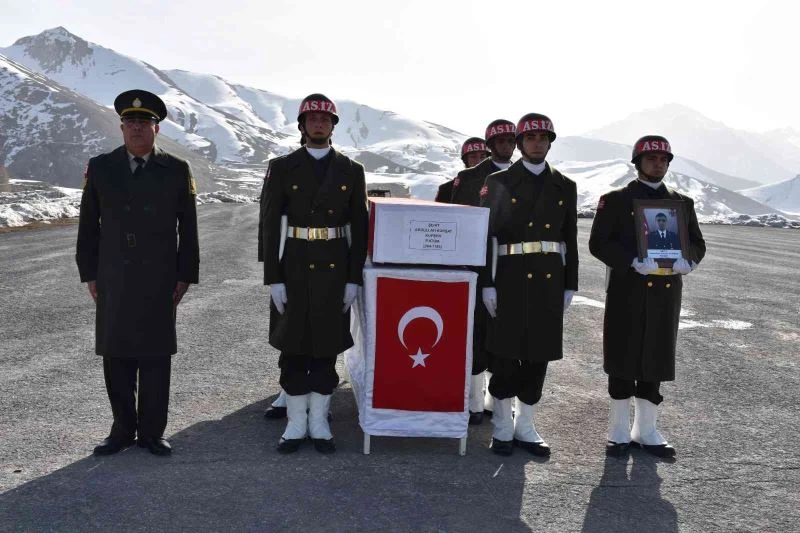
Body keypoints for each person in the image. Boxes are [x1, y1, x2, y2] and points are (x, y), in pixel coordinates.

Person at [76, 89, 199, 457]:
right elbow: (88, 227)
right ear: (121, 127)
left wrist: (185, 274)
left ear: (156, 129)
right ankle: (122, 430)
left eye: (144, 122)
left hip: (160, 275)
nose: (137, 128)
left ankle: (152, 432)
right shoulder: (101, 167)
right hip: (113, 273)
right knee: (116, 354)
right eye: (131, 122)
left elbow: (188, 228)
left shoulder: (176, 170)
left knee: (156, 354)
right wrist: (89, 273)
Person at [261, 93, 369, 454]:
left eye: (325, 119)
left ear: (333, 126)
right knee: (293, 346)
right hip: (292, 267)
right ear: (302, 126)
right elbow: (270, 225)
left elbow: (359, 229)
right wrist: (273, 277)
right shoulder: (282, 167)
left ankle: (320, 422)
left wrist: (354, 278)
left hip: (334, 270)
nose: (319, 124)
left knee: (325, 348)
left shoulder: (351, 171)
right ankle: (295, 423)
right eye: (312, 119)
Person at [589, 135, 706, 458]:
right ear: (638, 162)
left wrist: (690, 260)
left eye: (664, 159)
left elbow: (697, 241)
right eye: (652, 158)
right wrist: (631, 260)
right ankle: (618, 431)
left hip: (665, 293)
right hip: (629, 289)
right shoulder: (615, 200)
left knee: (655, 356)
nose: (659, 163)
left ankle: (647, 430)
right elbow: (598, 243)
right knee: (623, 357)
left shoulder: (682, 203)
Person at [479, 113, 578, 456]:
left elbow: (570, 239)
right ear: (520, 143)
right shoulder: (498, 180)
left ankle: (527, 425)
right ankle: (503, 427)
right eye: (531, 137)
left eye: (544, 137)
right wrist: (487, 284)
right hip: (509, 277)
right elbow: (487, 237)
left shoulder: (565, 185)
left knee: (539, 356)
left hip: (549, 280)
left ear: (550, 142)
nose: (538, 142)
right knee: (506, 355)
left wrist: (571, 284)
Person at [437, 120, 516, 425]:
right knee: (474, 334)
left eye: (512, 140)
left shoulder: (519, 175)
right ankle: (470, 402)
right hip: (473, 267)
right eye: (501, 140)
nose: (507, 145)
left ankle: (495, 401)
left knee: (503, 338)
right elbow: (453, 224)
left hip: (510, 267)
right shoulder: (465, 180)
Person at [434, 137, 490, 201]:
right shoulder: (447, 189)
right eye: (473, 157)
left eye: (482, 156)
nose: (478, 161)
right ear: (466, 160)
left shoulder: (499, 184)